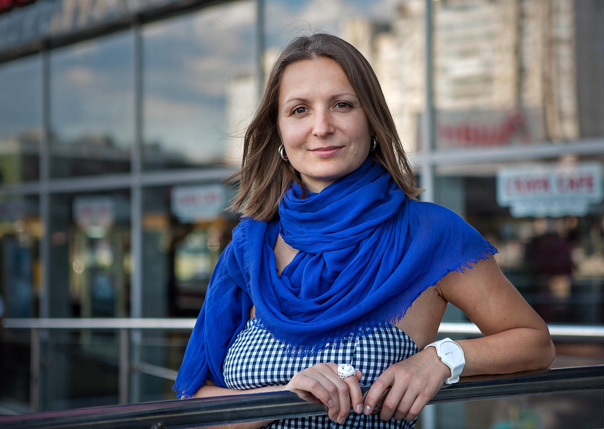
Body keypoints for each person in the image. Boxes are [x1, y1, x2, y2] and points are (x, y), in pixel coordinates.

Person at [173, 33, 555, 428]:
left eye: (342, 105)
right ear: (280, 132)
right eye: (300, 110)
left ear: (371, 118)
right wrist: (282, 397)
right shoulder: (248, 248)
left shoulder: (429, 233)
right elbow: (195, 409)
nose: (322, 127)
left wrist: (443, 358)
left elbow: (535, 343)